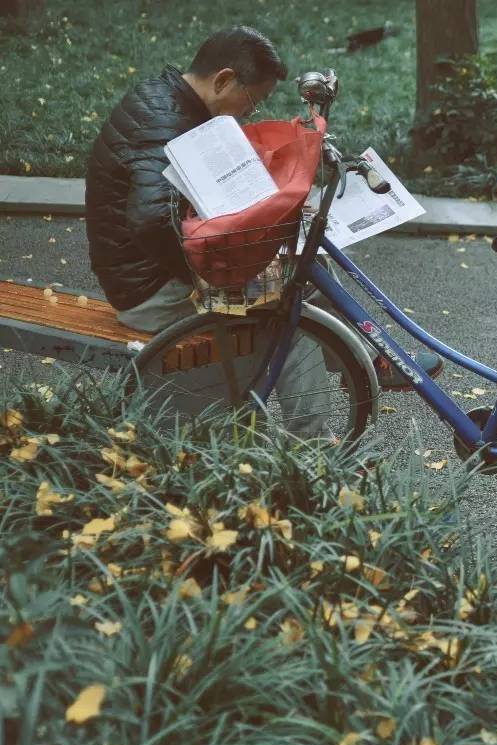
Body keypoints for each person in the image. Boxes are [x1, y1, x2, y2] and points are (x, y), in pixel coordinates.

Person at [85, 26, 439, 440]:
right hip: (150, 291)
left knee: (308, 265)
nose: (249, 113)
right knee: (291, 305)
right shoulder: (166, 122)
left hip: (153, 270)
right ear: (223, 80)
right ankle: (315, 443)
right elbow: (150, 221)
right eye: (252, 101)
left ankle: (370, 357)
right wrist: (226, 276)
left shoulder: (171, 100)